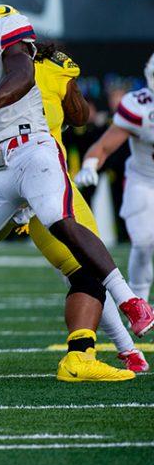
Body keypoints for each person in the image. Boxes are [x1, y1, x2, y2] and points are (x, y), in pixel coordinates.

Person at [0, 0, 153, 383]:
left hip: (31, 148)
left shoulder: (3, 26)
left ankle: (130, 301)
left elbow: (22, 74)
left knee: (59, 219)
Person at [77, 52, 154, 305]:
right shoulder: (139, 106)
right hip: (144, 180)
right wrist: (90, 164)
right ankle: (139, 302)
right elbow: (104, 146)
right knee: (143, 244)